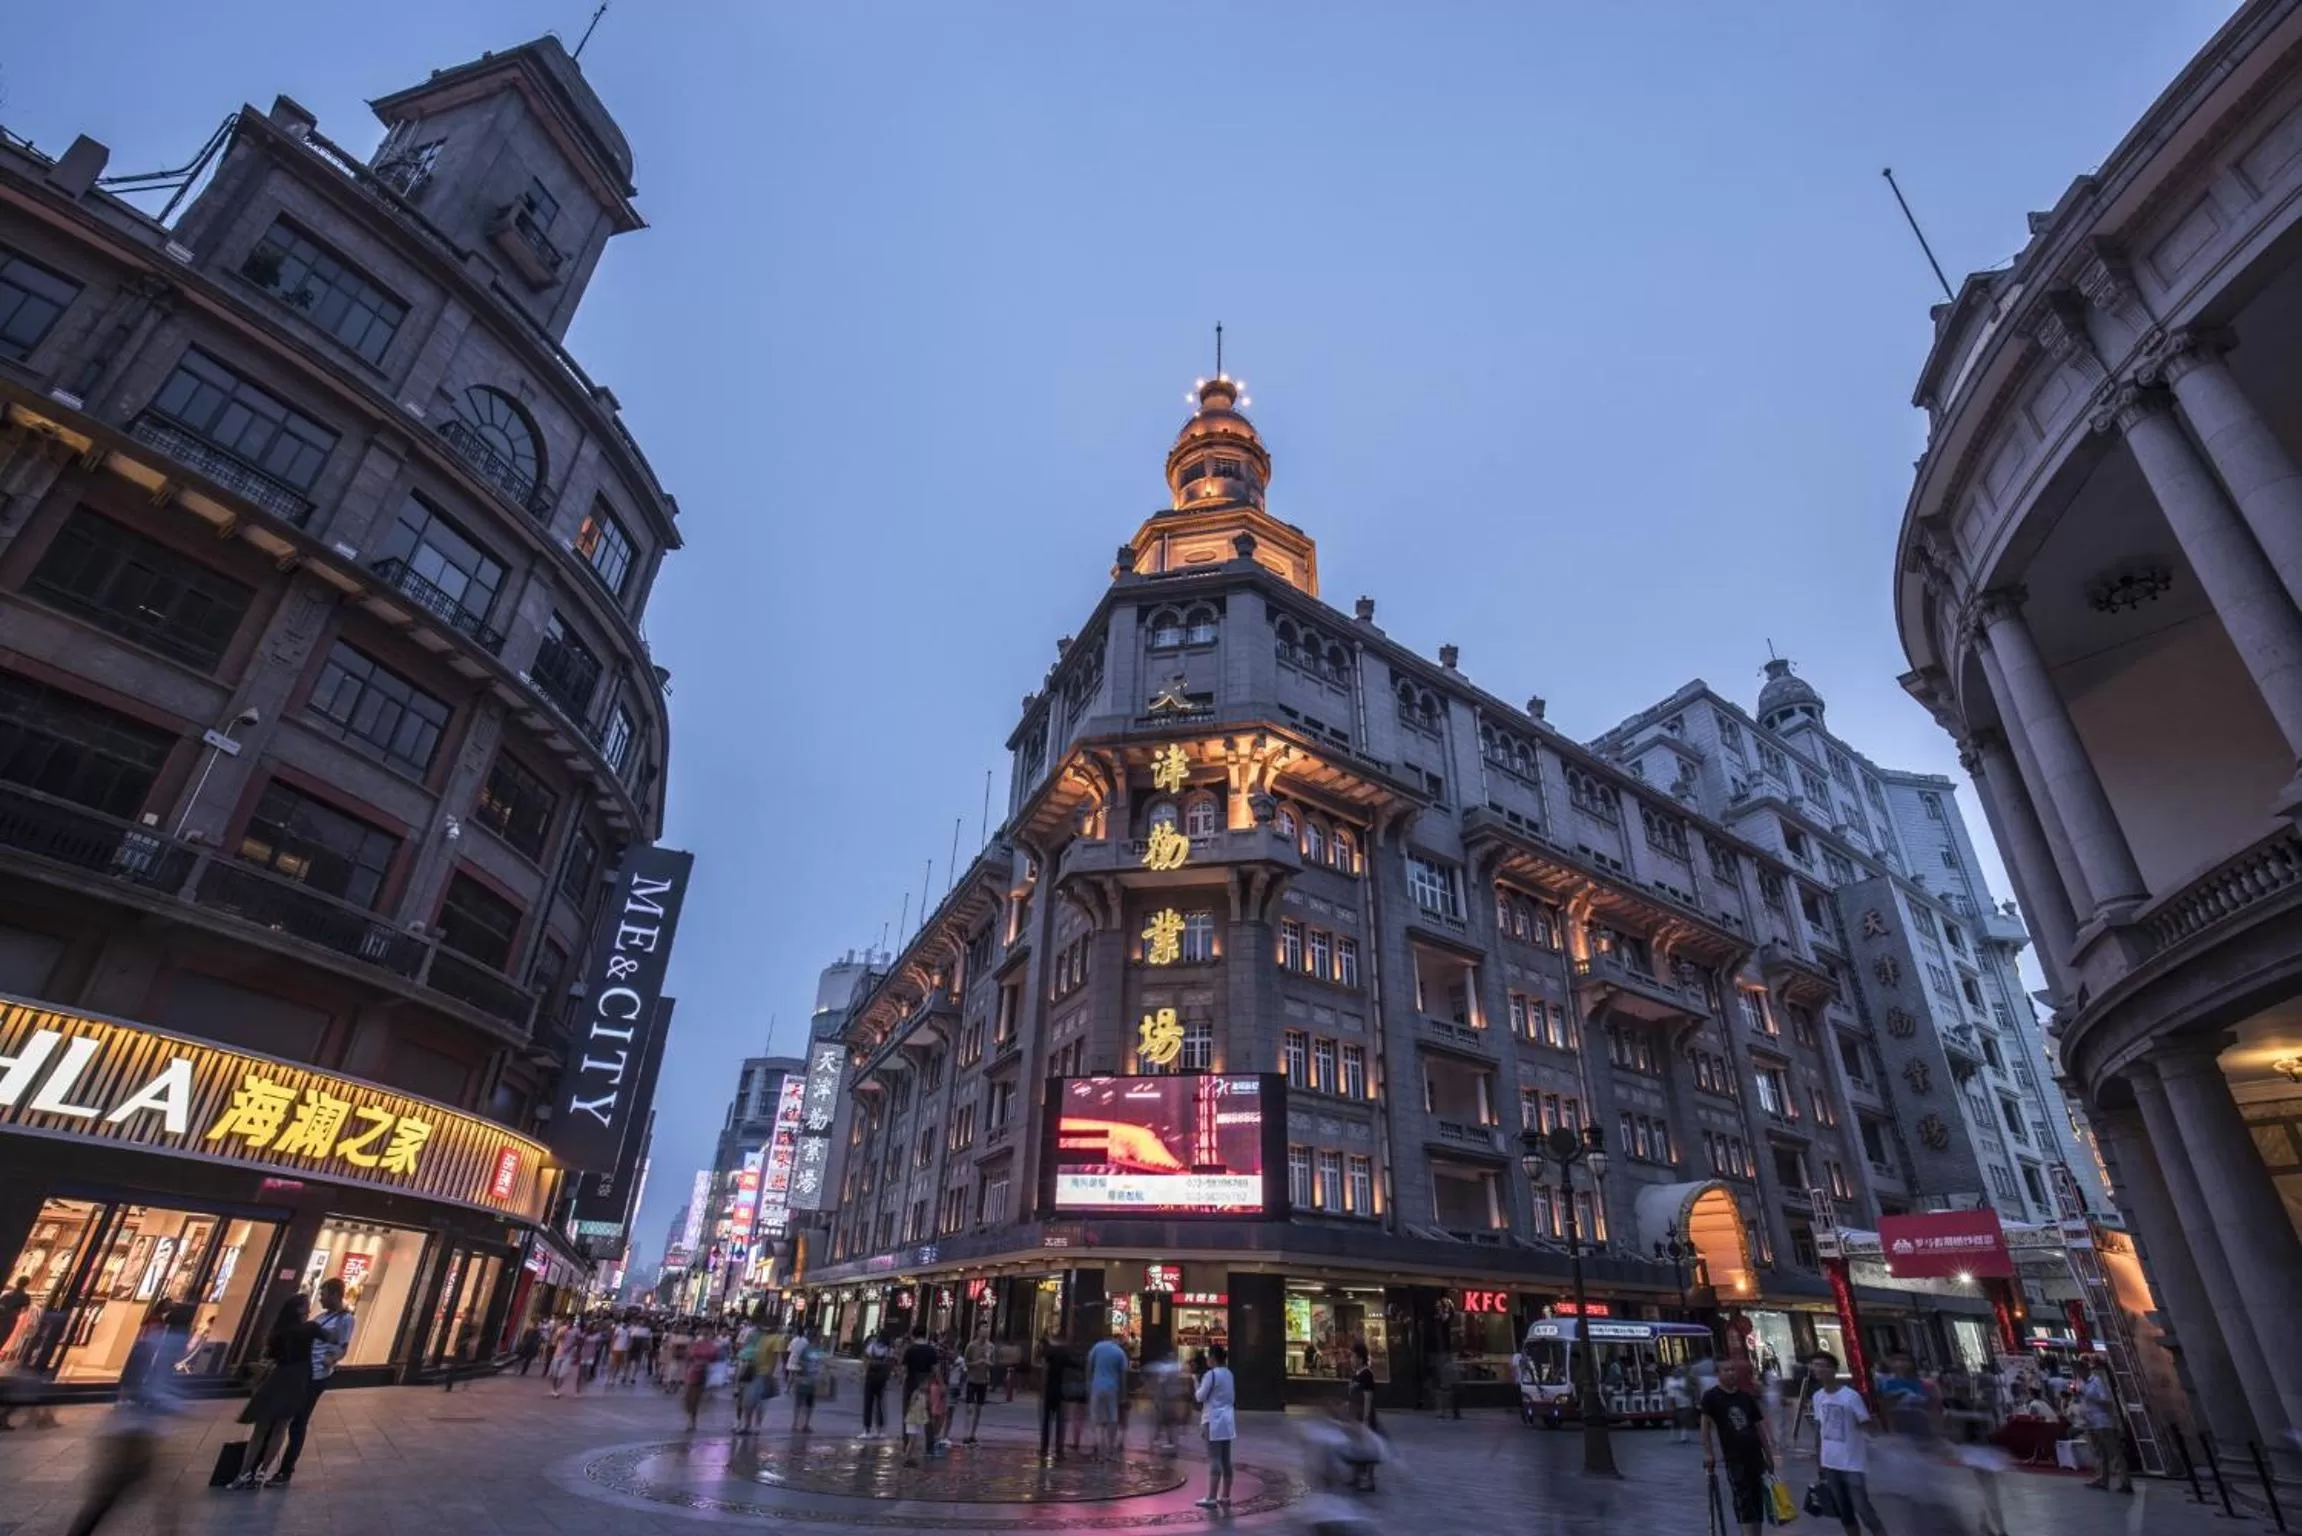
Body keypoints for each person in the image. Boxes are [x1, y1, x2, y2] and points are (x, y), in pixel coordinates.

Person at [66, 1299, 189, 1535]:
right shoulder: (159, 1346)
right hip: (133, 1433)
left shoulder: (153, 1344)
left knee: (162, 1493)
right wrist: (178, 1407)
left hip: (141, 1430)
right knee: (119, 1493)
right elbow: (145, 1388)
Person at [271, 1278, 353, 1489]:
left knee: (298, 1421)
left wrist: (332, 1359)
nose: (320, 1297)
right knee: (286, 1419)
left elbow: (343, 1346)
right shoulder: (320, 1317)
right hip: (302, 1371)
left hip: (317, 1375)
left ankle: (286, 1469)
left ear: (335, 1294)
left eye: (324, 1294)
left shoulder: (345, 1319)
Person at [228, 1295, 317, 1489]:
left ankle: (244, 1473)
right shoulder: (309, 1330)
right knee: (279, 1428)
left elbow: (267, 1354)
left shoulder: (279, 1331)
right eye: (307, 1307)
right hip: (295, 1380)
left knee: (261, 1429)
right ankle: (261, 1472)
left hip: (276, 1380)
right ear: (299, 1310)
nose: (309, 1311)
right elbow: (333, 1339)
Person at [1807, 1352, 1887, 1536]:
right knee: (1844, 1512)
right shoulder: (1818, 1396)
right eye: (1814, 1365)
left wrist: (1876, 1429)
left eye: (1822, 1365)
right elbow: (1819, 1428)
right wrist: (1819, 1459)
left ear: (1833, 1369)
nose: (1817, 1369)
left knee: (1863, 1509)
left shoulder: (1850, 1397)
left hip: (1852, 1463)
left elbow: (1866, 1423)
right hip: (1830, 1462)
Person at [1702, 1357, 1777, 1536]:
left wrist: (1768, 1452)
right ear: (1717, 1374)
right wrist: (1708, 1453)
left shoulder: (1745, 1397)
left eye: (1732, 1370)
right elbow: (1705, 1427)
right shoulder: (1711, 1397)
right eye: (1726, 1370)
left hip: (1755, 1456)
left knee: (1758, 1498)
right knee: (1743, 1499)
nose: (1731, 1373)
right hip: (1735, 1457)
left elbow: (1758, 1425)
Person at [2077, 1358, 2132, 1493]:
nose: (2078, 1373)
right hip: (2090, 1422)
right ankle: (2102, 1479)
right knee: (2099, 1453)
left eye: (2079, 1370)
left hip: (2103, 1421)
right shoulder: (2081, 1384)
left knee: (2114, 1452)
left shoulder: (2097, 1381)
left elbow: (2106, 1400)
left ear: (2086, 1369)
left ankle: (2125, 1482)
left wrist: (2090, 1397)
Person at [1194, 1343, 1237, 1512]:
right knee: (1226, 1458)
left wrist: (1195, 1384)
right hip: (1228, 1419)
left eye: (1208, 1356)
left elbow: (1200, 1397)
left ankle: (1211, 1497)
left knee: (1214, 1458)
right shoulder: (1228, 1373)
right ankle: (1225, 1495)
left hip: (1212, 1419)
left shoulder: (1211, 1375)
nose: (1206, 1359)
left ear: (1212, 1358)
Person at [1345, 1341, 1383, 1491]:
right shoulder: (1355, 1374)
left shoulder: (1367, 1374)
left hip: (1364, 1416)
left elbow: (1368, 1397)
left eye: (1353, 1356)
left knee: (1367, 1448)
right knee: (1355, 1446)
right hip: (1354, 1416)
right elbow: (1353, 1394)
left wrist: (1366, 1419)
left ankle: (1370, 1480)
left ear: (1360, 1358)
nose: (1351, 1359)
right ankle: (1355, 1476)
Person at [1086, 1330, 1128, 1461]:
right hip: (1112, 1389)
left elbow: (1089, 1366)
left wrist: (1089, 1384)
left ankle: (1100, 1450)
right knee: (1112, 1419)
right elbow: (1123, 1376)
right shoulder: (1120, 1353)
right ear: (1119, 1340)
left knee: (1098, 1421)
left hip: (1097, 1386)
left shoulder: (1097, 1347)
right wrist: (1123, 1395)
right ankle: (1110, 1449)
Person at [1039, 1332, 1075, 1463]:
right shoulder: (1065, 1354)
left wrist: (1042, 1391)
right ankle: (1059, 1449)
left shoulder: (1048, 1354)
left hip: (1049, 1390)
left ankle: (1044, 1448)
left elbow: (1045, 1371)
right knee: (1060, 1422)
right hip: (1061, 1391)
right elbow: (1073, 1368)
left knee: (1046, 1421)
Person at [961, 1322, 995, 1444]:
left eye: (987, 1331)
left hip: (983, 1380)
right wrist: (976, 1363)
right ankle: (966, 1433)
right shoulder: (971, 1346)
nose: (985, 1333)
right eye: (983, 1330)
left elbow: (993, 1363)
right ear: (978, 1332)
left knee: (979, 1408)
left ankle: (973, 1434)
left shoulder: (991, 1347)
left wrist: (987, 1362)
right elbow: (965, 1362)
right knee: (969, 1407)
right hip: (972, 1379)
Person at [683, 1327, 720, 1433]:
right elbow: (689, 1357)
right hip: (695, 1372)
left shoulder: (711, 1346)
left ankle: (692, 1421)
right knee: (691, 1398)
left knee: (695, 1398)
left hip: (703, 1373)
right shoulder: (698, 1345)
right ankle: (691, 1420)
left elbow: (714, 1357)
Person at [859, 1330, 894, 1440]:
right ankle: (881, 1430)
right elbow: (890, 1364)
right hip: (882, 1380)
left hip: (870, 1378)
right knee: (880, 1405)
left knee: (868, 1404)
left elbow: (865, 1358)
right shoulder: (888, 1349)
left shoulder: (872, 1346)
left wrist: (864, 1372)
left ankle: (866, 1430)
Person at [789, 1330, 822, 1433]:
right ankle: (795, 1423)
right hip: (803, 1378)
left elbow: (823, 1363)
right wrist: (804, 1367)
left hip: (813, 1380)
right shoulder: (805, 1349)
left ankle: (806, 1424)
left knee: (810, 1403)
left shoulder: (819, 1350)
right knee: (799, 1402)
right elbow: (797, 1360)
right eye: (818, 1337)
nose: (819, 1340)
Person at [0, 1277, 29, 1357]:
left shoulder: (6, 1294)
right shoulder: (25, 1297)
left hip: (2, 1317)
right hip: (10, 1320)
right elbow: (25, 1309)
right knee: (2, 1338)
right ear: (26, 1285)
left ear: (16, 1282)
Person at [1667, 1364, 1694, 1444]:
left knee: (1684, 1419)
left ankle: (1684, 1436)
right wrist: (1671, 1402)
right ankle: (1679, 1435)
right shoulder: (1670, 1380)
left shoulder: (1685, 1379)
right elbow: (1670, 1392)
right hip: (1676, 1401)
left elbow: (1688, 1389)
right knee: (1678, 1419)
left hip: (1685, 1401)